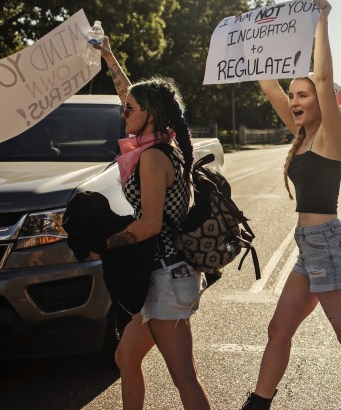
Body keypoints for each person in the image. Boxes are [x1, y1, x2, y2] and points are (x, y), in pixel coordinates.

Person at [240, 0, 341, 410]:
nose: (294, 100)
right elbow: (269, 86)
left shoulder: (329, 136)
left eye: (302, 94)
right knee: (278, 329)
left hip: (326, 244)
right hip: (308, 248)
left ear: (321, 100)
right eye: (294, 95)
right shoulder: (302, 135)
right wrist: (251, 36)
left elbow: (323, 77)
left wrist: (321, 21)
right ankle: (258, 403)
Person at [95, 37, 211, 410]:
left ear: (150, 114)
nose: (123, 112)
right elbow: (130, 93)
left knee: (184, 377)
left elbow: (149, 225)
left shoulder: (152, 158)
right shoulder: (162, 142)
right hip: (160, 275)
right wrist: (108, 55)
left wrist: (103, 243)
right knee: (125, 358)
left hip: (167, 277)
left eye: (129, 110)